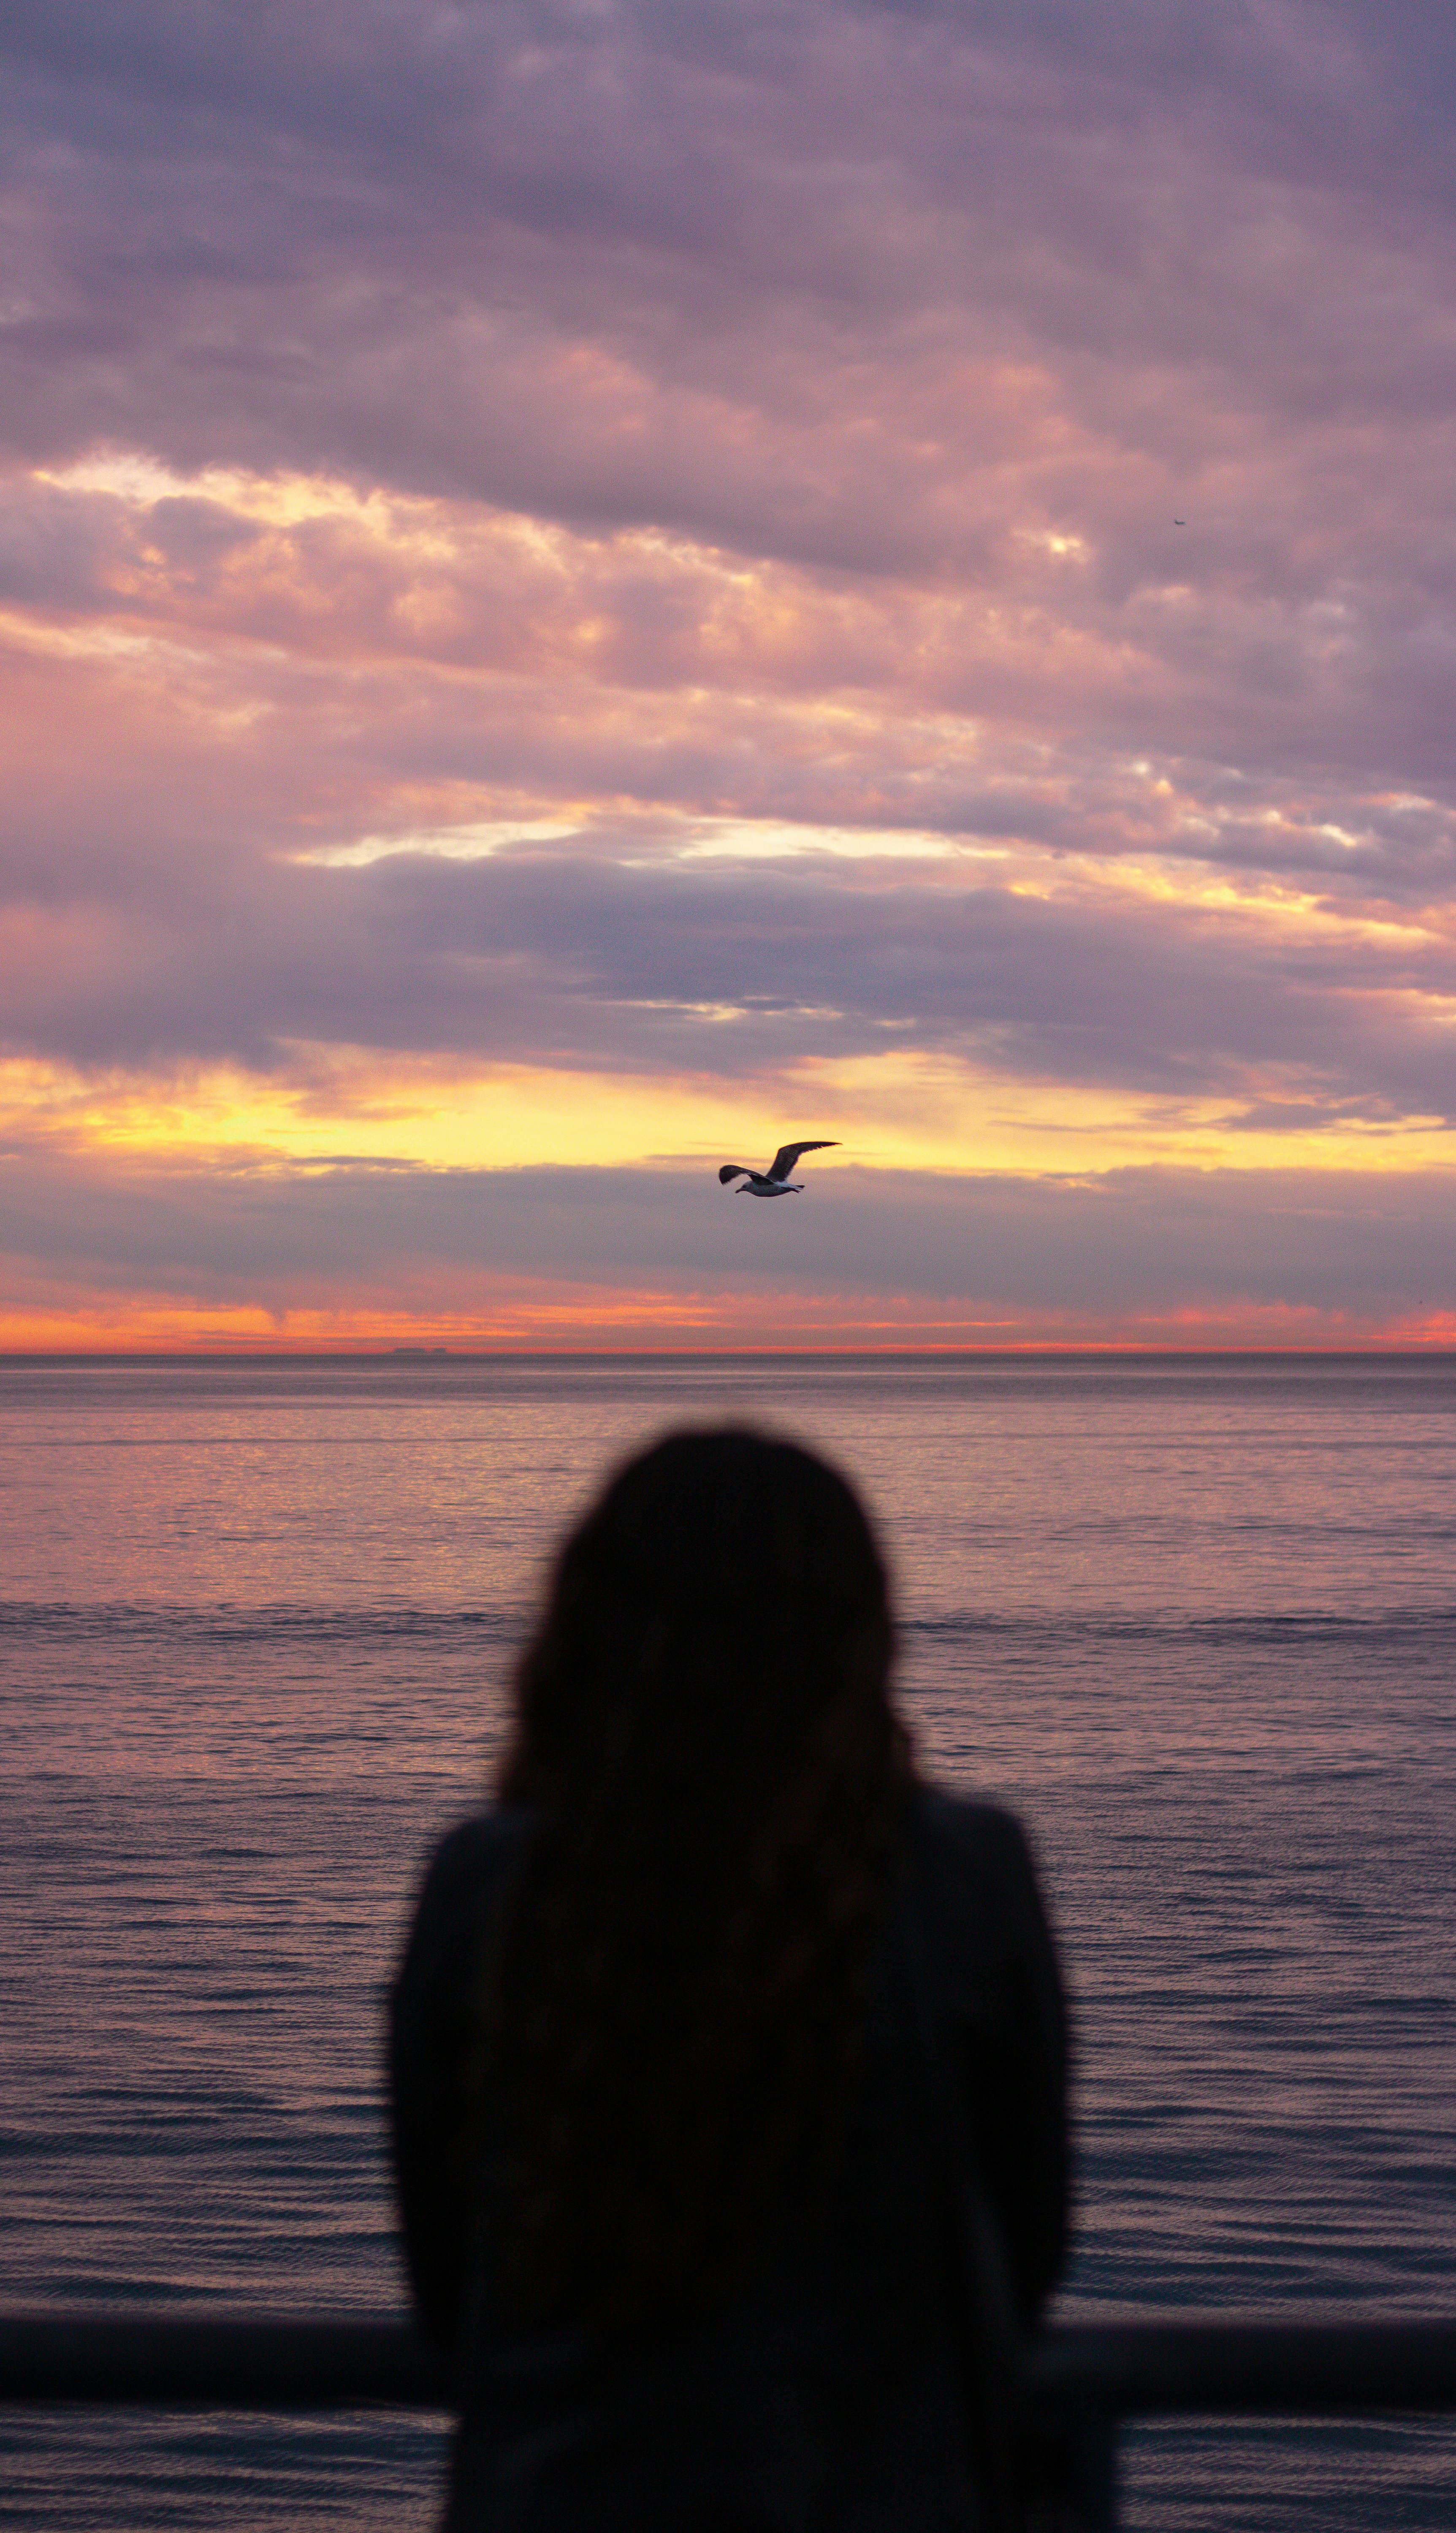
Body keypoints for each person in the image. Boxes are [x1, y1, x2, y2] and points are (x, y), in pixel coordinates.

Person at [389, 1428, 1069, 2531]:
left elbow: (446, 2277)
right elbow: (1023, 2250)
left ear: (585, 1629)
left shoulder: (489, 1886)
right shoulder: (960, 1877)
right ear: (859, 1635)